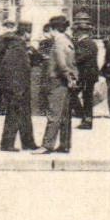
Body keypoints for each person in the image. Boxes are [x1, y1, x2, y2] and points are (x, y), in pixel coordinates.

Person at [0, 22, 37, 151]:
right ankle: (7, 144)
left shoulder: (16, 45)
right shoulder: (17, 47)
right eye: (29, 33)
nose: (29, 36)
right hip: (17, 86)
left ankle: (28, 142)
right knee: (14, 113)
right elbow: (14, 68)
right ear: (25, 33)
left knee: (24, 114)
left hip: (19, 84)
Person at [39, 16, 77, 154]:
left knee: (54, 114)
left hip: (57, 81)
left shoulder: (58, 42)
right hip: (66, 82)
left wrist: (67, 76)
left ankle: (47, 145)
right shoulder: (67, 40)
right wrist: (72, 78)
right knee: (65, 114)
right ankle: (65, 144)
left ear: (52, 29)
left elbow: (61, 63)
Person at [73, 16, 100, 129]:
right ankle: (84, 116)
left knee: (84, 97)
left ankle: (86, 119)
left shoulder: (86, 43)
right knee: (84, 96)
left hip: (86, 75)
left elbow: (80, 57)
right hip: (88, 75)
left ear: (80, 32)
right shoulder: (89, 42)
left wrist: (71, 59)